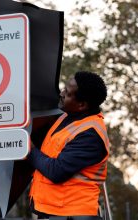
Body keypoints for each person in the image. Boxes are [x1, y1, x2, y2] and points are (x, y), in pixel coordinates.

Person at [27, 71, 109, 219]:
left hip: (72, 213)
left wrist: (28, 149)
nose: (62, 93)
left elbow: (56, 171)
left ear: (82, 105)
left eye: (68, 93)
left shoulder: (91, 134)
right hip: (55, 211)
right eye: (64, 88)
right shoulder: (67, 116)